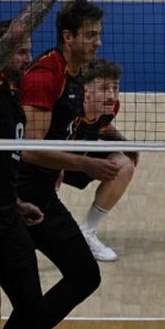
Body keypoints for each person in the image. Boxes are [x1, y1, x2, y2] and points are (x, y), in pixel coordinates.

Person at [11, 0, 118, 329]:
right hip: (20, 195)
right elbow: (29, 149)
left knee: (82, 275)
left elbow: (56, 136)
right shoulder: (46, 75)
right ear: (68, 37)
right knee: (74, 277)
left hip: (40, 189)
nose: (98, 42)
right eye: (90, 35)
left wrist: (62, 166)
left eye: (99, 34)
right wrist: (84, 165)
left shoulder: (76, 76)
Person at [0, 0, 88, 329]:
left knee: (30, 305)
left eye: (29, 52)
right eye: (19, 52)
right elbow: (17, 29)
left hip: (8, 211)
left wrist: (15, 203)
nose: (26, 57)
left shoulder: (14, 96)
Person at [60, 58, 137, 262]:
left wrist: (124, 143)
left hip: (79, 155)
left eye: (115, 88)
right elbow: (40, 150)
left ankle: (86, 232)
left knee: (123, 166)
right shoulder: (67, 109)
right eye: (103, 88)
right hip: (49, 159)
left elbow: (101, 127)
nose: (111, 95)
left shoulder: (110, 107)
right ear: (85, 90)